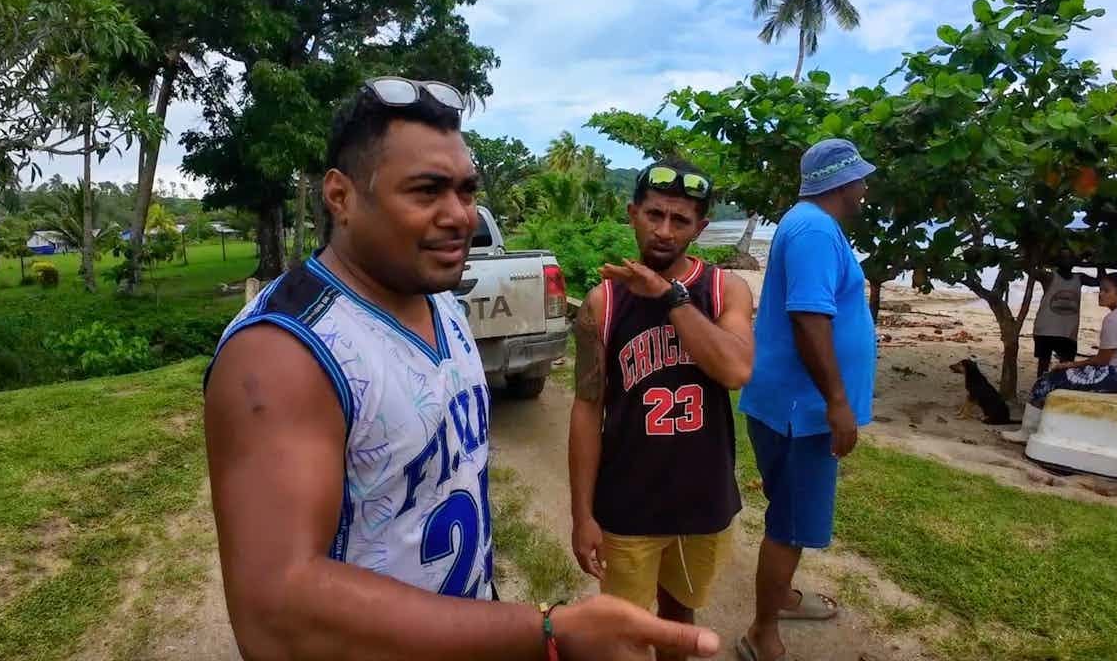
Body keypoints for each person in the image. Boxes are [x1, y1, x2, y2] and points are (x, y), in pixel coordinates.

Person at [202, 76, 720, 661]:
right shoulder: (284, 354)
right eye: (427, 192)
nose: (461, 217)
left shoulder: (440, 303)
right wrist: (545, 631)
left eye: (467, 191)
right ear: (341, 197)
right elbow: (276, 615)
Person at [568, 159, 755, 661]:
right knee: (625, 632)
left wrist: (672, 298)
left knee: (679, 620)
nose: (665, 231)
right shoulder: (602, 304)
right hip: (628, 504)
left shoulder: (724, 291)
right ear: (632, 214)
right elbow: (587, 411)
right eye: (654, 215)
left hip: (703, 502)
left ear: (702, 227)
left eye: (681, 220)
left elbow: (736, 370)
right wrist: (581, 514)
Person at [735, 139, 878, 661]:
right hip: (803, 411)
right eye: (861, 180)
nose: (866, 188)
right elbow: (809, 319)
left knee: (788, 513)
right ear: (842, 184)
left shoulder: (804, 223)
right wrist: (837, 403)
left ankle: (784, 599)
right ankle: (761, 631)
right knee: (789, 526)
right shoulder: (816, 230)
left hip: (789, 405)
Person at [1005, 272, 1117, 442]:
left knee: (1047, 380)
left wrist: (1070, 365)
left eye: (1107, 291)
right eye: (1100, 290)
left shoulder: (1115, 318)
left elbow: (1102, 360)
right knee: (1066, 375)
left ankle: (1027, 431)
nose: (1101, 294)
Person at [1031, 256, 1099, 379]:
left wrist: (1099, 264)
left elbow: (1101, 281)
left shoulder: (1080, 278)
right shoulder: (1049, 276)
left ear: (1075, 260)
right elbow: (1030, 270)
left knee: (1066, 366)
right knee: (1043, 364)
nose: (1067, 258)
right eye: (1063, 255)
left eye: (1069, 255)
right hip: (1046, 329)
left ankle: (1057, 390)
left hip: (1068, 331)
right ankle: (1041, 390)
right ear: (1057, 261)